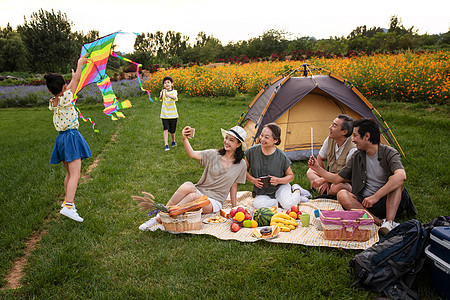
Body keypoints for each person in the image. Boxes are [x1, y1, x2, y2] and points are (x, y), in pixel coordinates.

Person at [308, 118, 416, 235]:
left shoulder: (388, 152)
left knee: (396, 182)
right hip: (365, 204)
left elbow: (401, 176)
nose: (353, 140)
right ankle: (379, 222)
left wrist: (375, 196)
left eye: (355, 136)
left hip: (387, 201)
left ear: (367, 136)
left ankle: (389, 222)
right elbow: (338, 179)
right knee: (342, 194)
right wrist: (318, 169)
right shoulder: (357, 156)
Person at [139, 125, 247, 231]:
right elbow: (192, 154)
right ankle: (162, 214)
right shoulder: (214, 154)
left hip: (214, 201)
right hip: (201, 190)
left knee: (193, 197)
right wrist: (184, 139)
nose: (227, 142)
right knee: (187, 185)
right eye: (226, 138)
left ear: (238, 144)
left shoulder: (241, 164)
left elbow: (234, 186)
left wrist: (234, 207)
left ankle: (159, 219)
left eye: (231, 140)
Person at [45, 55, 91, 222]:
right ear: (64, 87)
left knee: (69, 173)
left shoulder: (55, 100)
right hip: (71, 137)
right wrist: (79, 64)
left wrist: (71, 80)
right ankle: (69, 205)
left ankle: (66, 202)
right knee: (76, 174)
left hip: (62, 139)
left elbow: (72, 85)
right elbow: (78, 80)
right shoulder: (67, 96)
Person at [245, 123, 308, 210]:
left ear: (275, 140)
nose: (262, 139)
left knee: (288, 205)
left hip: (280, 187)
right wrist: (253, 180)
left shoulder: (281, 156)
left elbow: (291, 176)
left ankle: (297, 191)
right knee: (258, 204)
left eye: (266, 137)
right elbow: (244, 171)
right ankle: (282, 202)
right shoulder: (251, 152)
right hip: (262, 192)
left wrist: (278, 180)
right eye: (261, 135)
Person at [307, 114, 356, 196]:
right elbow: (320, 159)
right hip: (330, 178)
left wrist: (324, 180)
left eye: (334, 125)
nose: (330, 127)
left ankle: (326, 191)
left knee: (336, 187)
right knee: (310, 172)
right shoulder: (330, 139)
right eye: (332, 124)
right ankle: (326, 190)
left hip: (344, 181)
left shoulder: (353, 149)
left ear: (344, 132)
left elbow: (348, 177)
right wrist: (325, 179)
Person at [159, 76, 178, 151]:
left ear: (172, 84)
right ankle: (166, 144)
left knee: (172, 130)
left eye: (168, 82)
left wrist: (168, 95)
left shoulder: (174, 91)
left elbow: (174, 98)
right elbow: (161, 98)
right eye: (165, 83)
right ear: (163, 85)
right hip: (164, 114)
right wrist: (161, 95)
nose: (167, 84)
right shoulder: (163, 91)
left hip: (173, 114)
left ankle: (173, 141)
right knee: (165, 129)